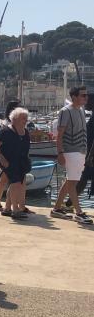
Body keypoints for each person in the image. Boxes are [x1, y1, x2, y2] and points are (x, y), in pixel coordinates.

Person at [51, 86, 92, 224]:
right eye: (83, 95)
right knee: (73, 183)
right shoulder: (65, 111)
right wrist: (60, 153)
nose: (86, 98)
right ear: (74, 96)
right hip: (70, 151)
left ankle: (56, 208)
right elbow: (60, 135)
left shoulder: (81, 110)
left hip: (80, 151)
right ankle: (79, 212)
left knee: (70, 181)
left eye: (86, 95)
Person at [0, 107, 32, 219]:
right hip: (8, 162)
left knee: (16, 184)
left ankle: (8, 208)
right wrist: (2, 159)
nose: (26, 120)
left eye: (26, 118)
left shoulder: (25, 132)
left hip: (21, 163)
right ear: (15, 119)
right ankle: (15, 210)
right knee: (16, 184)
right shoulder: (6, 131)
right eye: (23, 118)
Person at [0, 99, 21, 212]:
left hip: (14, 157)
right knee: (3, 180)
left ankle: (9, 204)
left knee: (10, 181)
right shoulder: (5, 125)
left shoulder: (16, 124)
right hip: (5, 156)